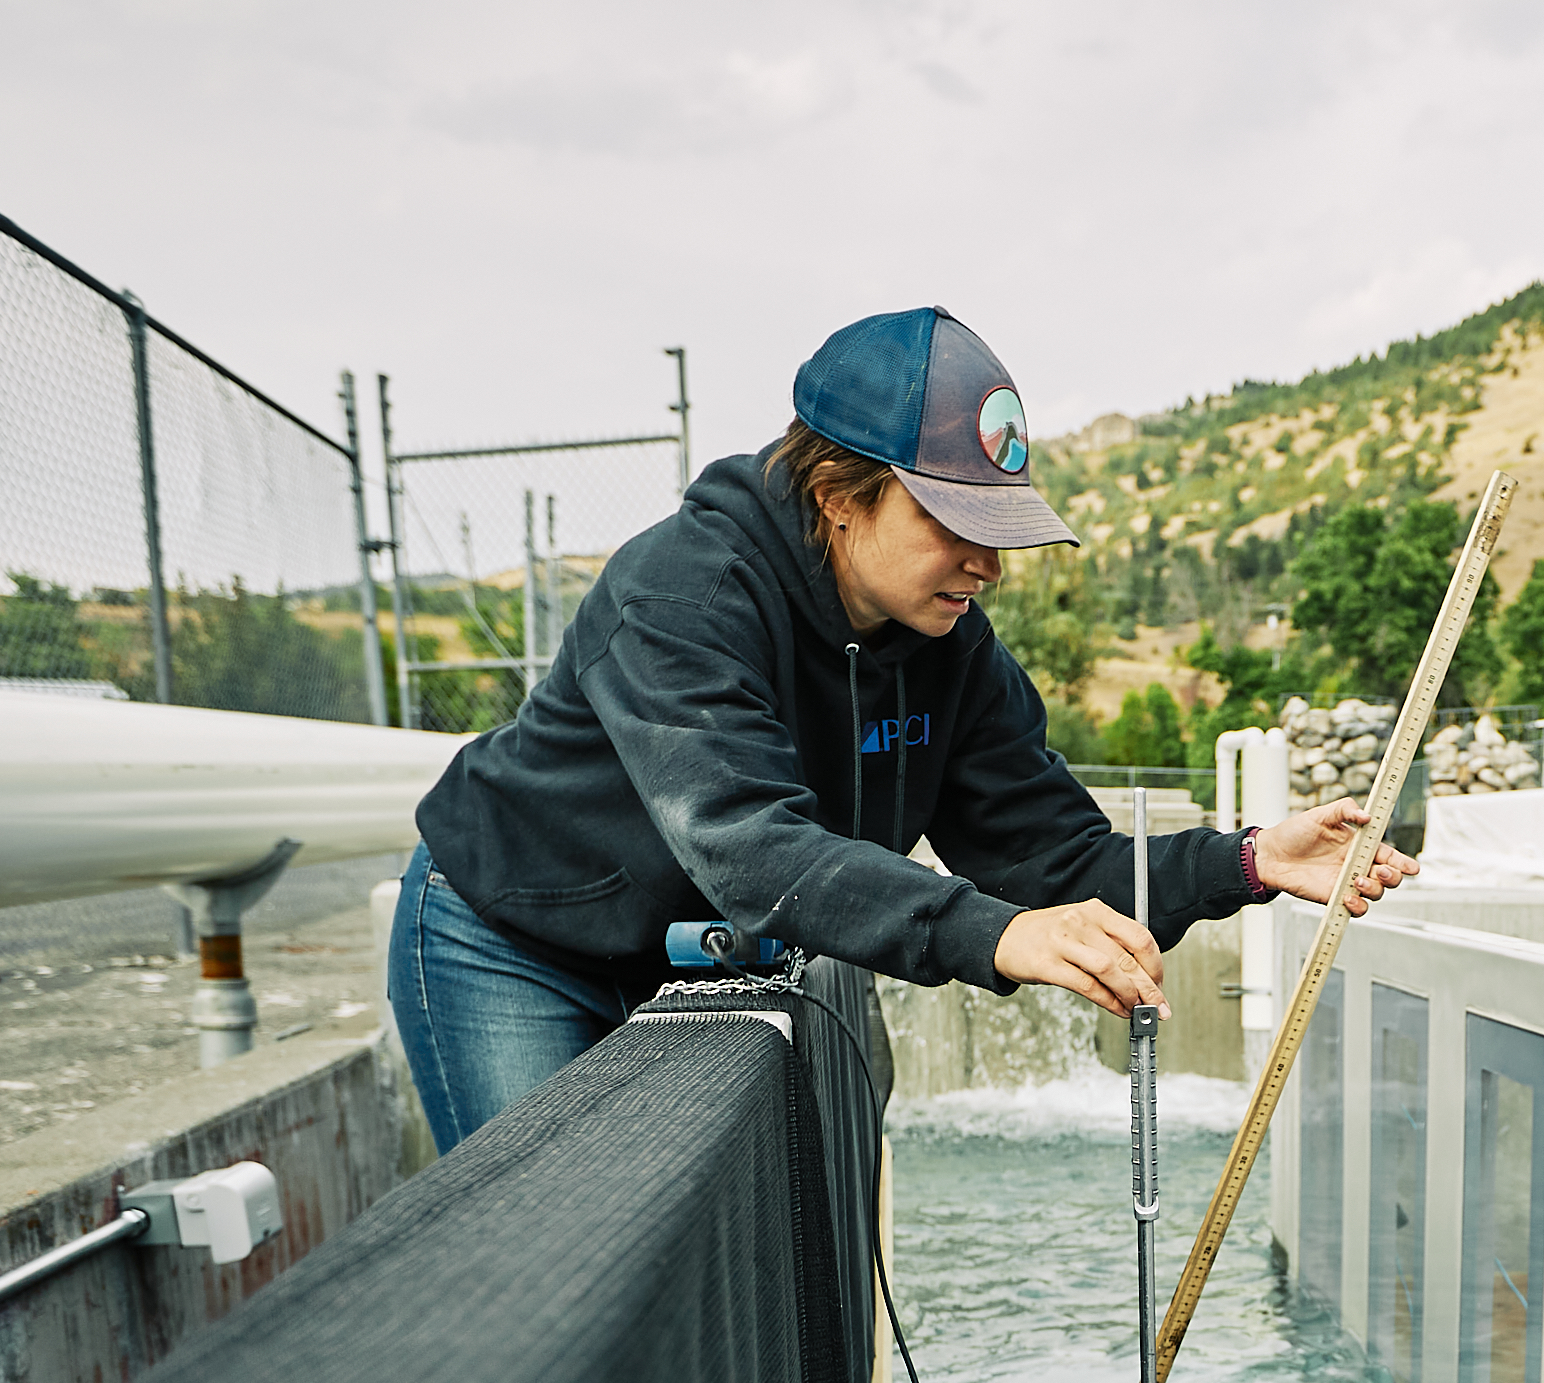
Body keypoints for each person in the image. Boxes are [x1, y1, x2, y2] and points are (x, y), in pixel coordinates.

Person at [388, 306, 1413, 1145]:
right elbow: (751, 847)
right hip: (513, 935)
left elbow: (1053, 858)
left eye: (999, 529)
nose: (990, 563)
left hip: (681, 954)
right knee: (549, 1271)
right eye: (956, 527)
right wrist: (992, 932)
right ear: (839, 495)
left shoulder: (950, 646)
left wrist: (1247, 863)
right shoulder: (684, 595)